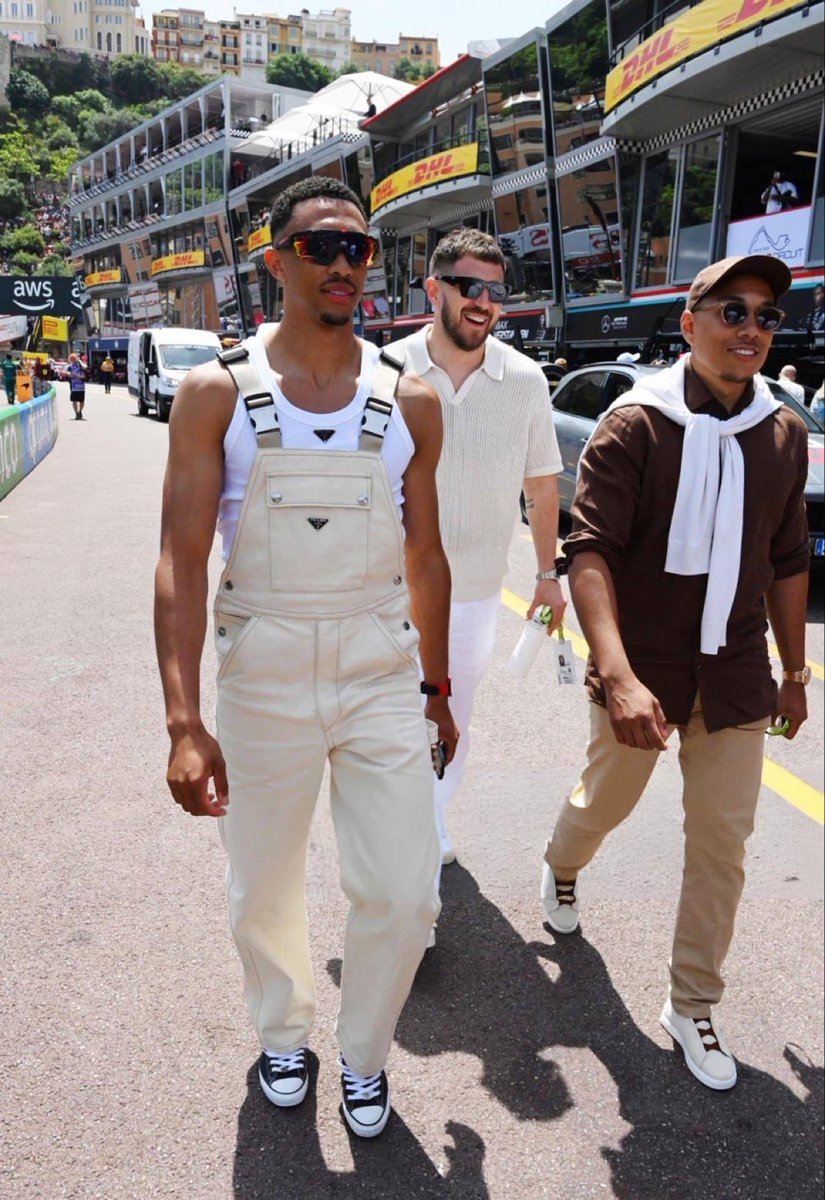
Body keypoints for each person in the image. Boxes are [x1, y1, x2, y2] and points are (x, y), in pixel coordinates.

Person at [154, 176, 458, 1139]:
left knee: (405, 894)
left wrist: (437, 688)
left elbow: (425, 556)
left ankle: (365, 1057)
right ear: (275, 260)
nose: (339, 263)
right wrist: (183, 721)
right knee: (263, 883)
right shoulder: (215, 392)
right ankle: (284, 1033)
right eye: (318, 246)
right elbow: (180, 561)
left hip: (379, 668)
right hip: (264, 669)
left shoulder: (411, 398)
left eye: (356, 248)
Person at [540, 254, 810, 1092]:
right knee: (605, 803)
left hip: (732, 672)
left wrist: (794, 671)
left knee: (723, 843)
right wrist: (615, 675)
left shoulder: (782, 430)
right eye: (732, 311)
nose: (751, 330)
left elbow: (787, 557)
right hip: (645, 669)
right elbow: (588, 553)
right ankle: (560, 866)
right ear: (689, 322)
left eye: (766, 316)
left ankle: (691, 1002)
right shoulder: (635, 424)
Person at [395, 228, 566, 874]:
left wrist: (548, 576)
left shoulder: (523, 380)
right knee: (385, 719)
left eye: (496, 292)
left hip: (472, 593)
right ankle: (397, 834)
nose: (485, 303)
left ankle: (431, 822)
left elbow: (541, 482)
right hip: (385, 587)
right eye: (470, 287)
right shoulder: (387, 368)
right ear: (433, 288)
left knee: (450, 717)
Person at [68, 354, 86, 419]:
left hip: (81, 386)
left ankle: (80, 411)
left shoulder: (80, 365)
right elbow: (69, 374)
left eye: (74, 359)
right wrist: (71, 375)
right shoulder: (70, 366)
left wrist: (80, 361)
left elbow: (85, 367)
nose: (73, 360)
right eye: (72, 359)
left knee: (82, 401)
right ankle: (76, 413)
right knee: (74, 400)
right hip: (74, 386)